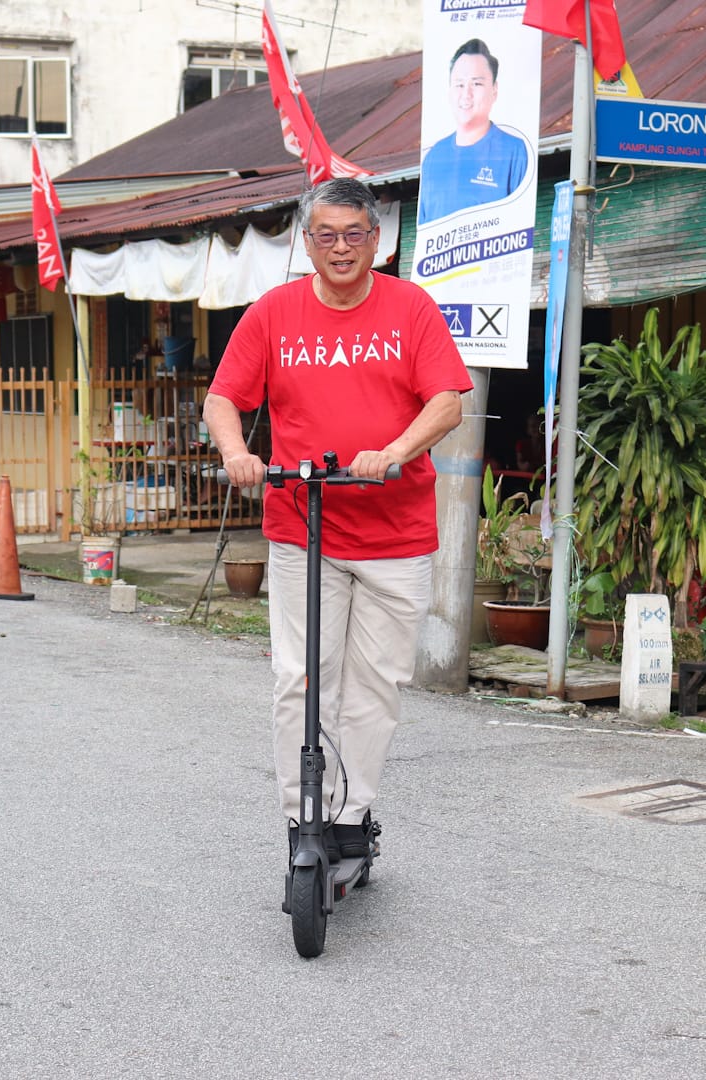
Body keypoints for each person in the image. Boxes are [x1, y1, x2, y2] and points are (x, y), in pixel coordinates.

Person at [203, 177, 473, 862]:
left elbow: (446, 401)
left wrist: (395, 451)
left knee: (374, 683)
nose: (342, 247)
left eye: (355, 234)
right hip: (303, 525)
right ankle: (305, 821)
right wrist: (238, 453)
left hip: (395, 534)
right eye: (327, 235)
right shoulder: (274, 312)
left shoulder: (409, 308)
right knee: (300, 678)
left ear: (375, 240)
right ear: (307, 241)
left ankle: (351, 816)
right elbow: (222, 399)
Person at [417, 38, 529, 225]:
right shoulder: (434, 157)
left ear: (494, 90)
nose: (466, 94)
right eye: (460, 84)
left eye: (476, 84)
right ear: (449, 90)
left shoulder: (514, 151)